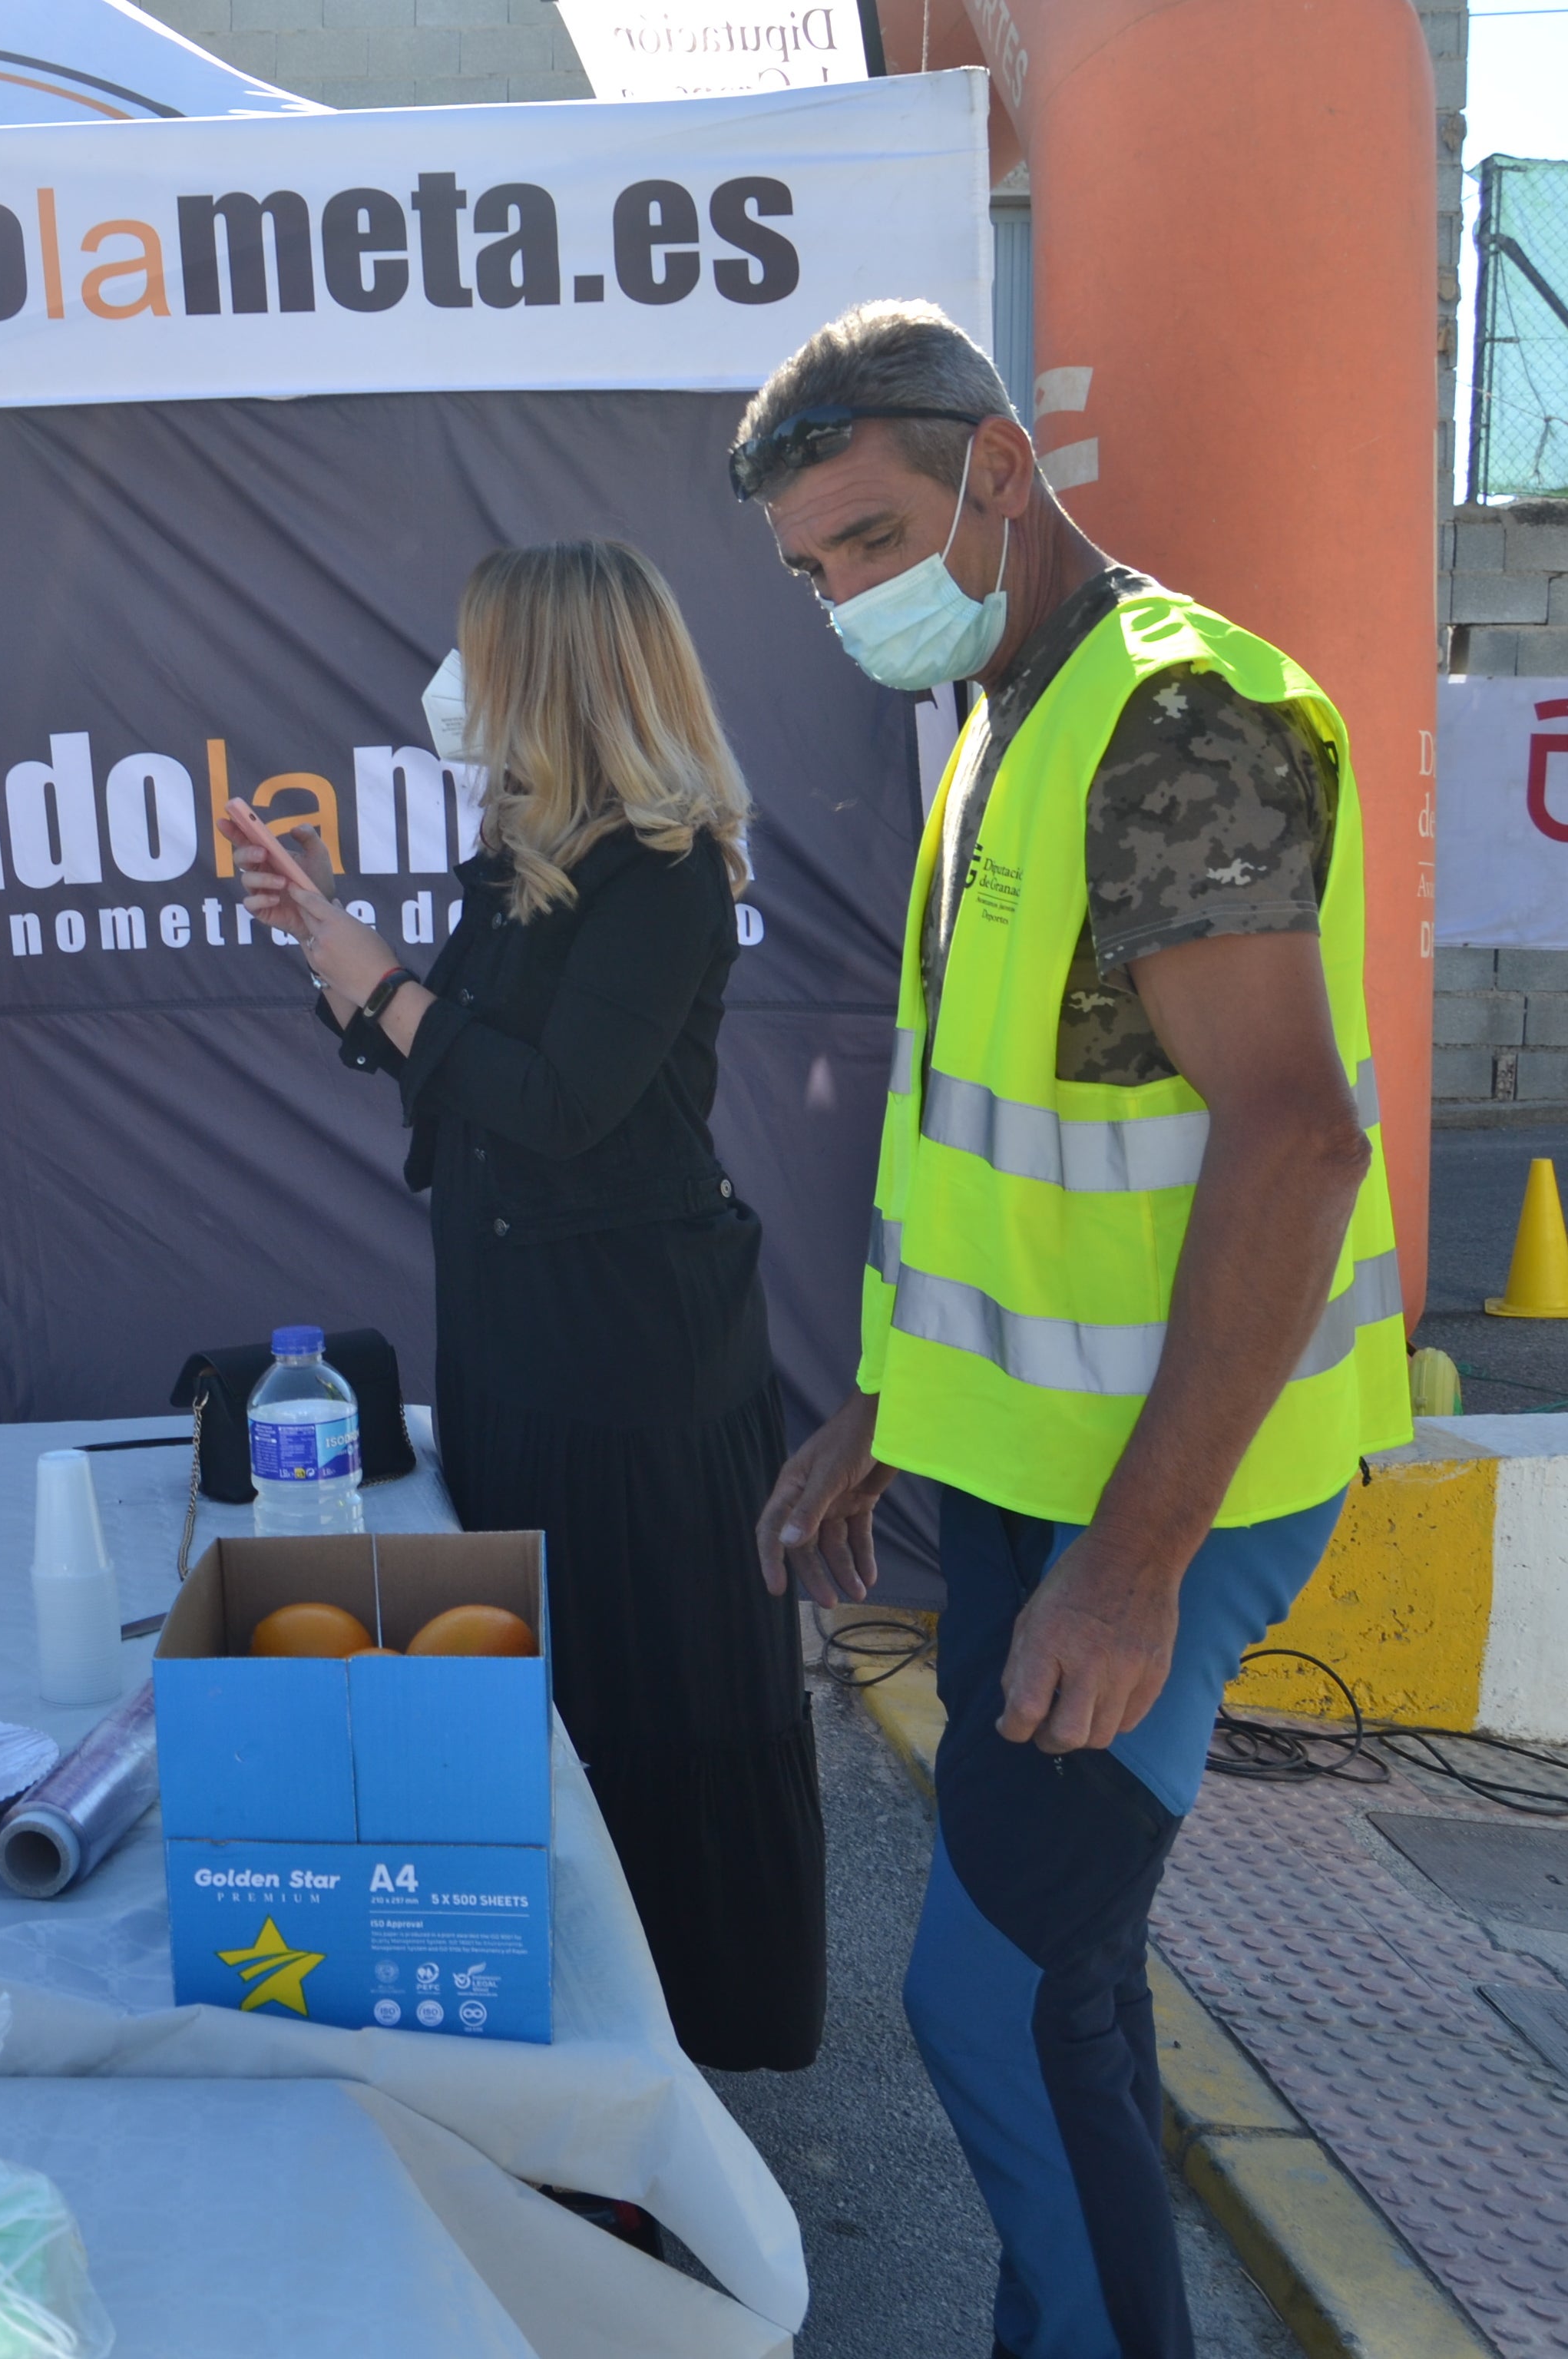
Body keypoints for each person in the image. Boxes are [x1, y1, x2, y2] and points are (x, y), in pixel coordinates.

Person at [738, 301, 1408, 2359]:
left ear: (1001, 470)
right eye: (812, 571)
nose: (845, 597)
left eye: (865, 539)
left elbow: (1292, 1148)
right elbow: (1004, 1157)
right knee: (1069, 1989)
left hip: (1163, 1503)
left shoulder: (1175, 719)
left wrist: (1132, 1568)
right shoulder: (1013, 720)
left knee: (1001, 2005)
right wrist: (884, 1405)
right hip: (1042, 1473)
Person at [226, 539, 826, 2075]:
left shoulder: (666, 867)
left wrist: (373, 978)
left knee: (650, 1707)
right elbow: (464, 1088)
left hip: (634, 1368)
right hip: (514, 1342)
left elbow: (560, 1103)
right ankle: (558, 2038)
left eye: (475, 652)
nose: (451, 682)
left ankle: (681, 2055)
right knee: (537, 1714)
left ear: (550, 673)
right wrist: (330, 951)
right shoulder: (526, 858)